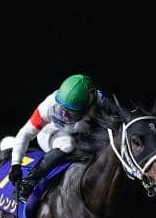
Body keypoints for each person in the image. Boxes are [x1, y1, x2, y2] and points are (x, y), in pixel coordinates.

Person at [8, 74, 116, 202]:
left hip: (81, 135)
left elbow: (121, 118)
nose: (65, 115)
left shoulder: (102, 100)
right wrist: (16, 164)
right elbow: (25, 134)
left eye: (72, 112)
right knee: (68, 144)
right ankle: (29, 181)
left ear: (91, 102)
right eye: (64, 109)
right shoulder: (48, 106)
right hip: (51, 133)